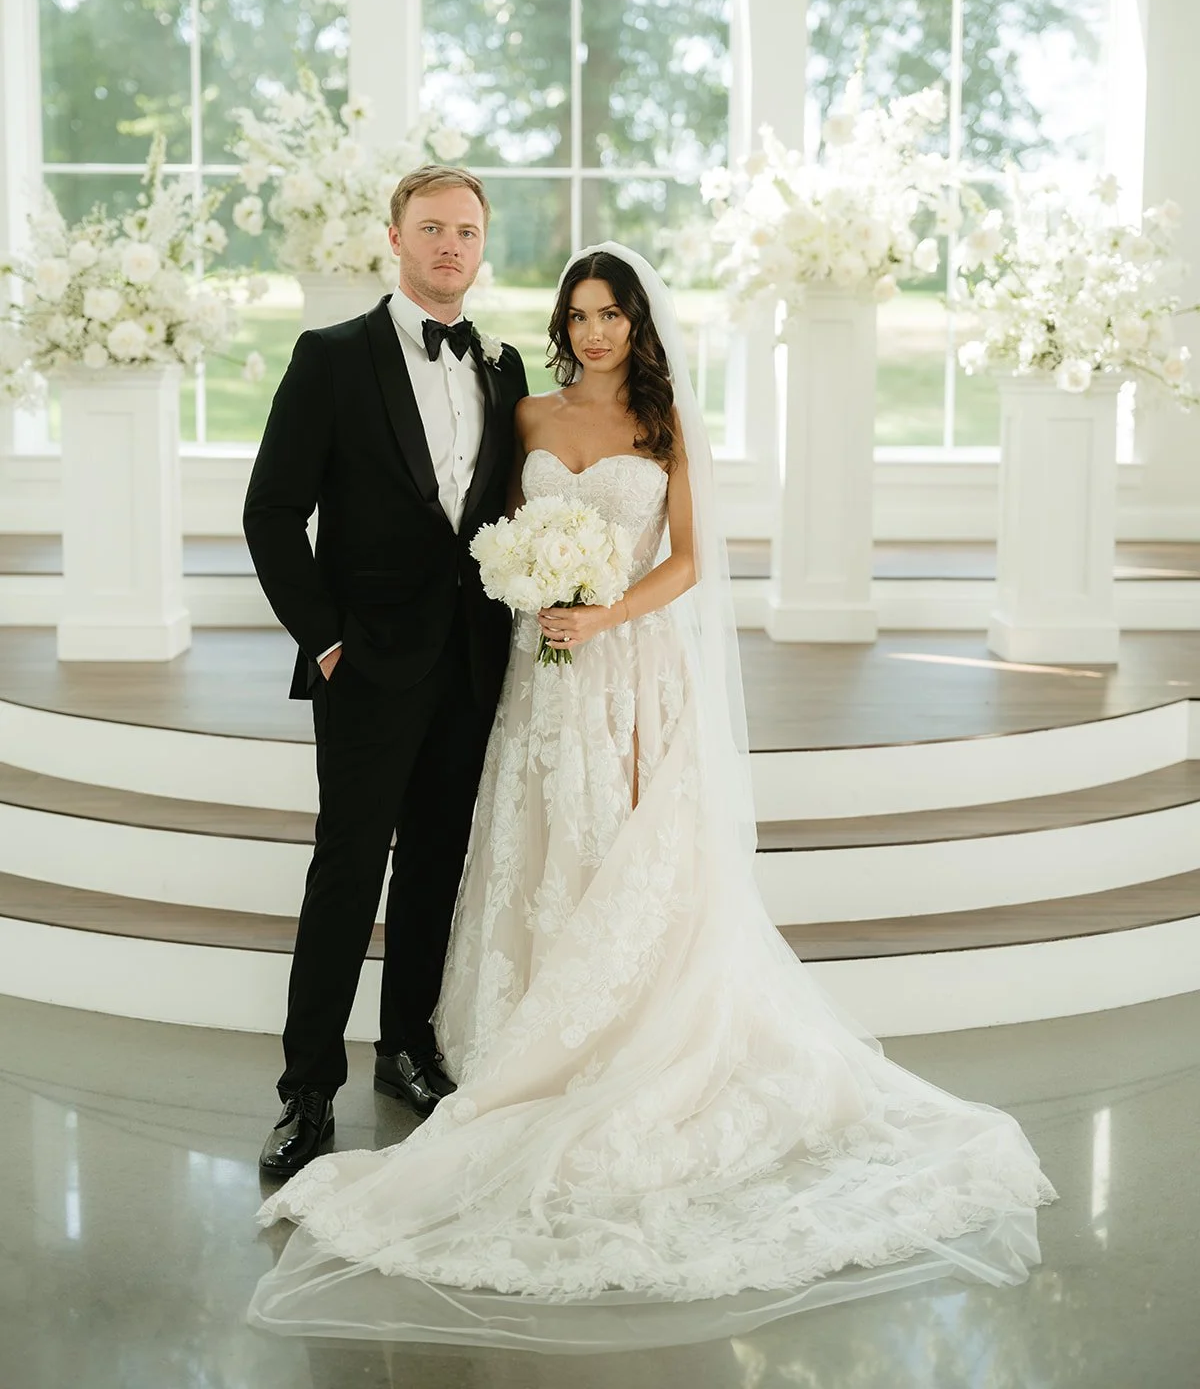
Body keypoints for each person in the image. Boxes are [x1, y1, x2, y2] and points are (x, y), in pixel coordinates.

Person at [248, 244, 1055, 1353]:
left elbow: (690, 559)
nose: (591, 329)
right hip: (519, 670)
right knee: (474, 843)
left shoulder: (668, 427)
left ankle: (503, 1039)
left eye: (609, 313)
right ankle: (329, 1077)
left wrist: (603, 609)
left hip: (621, 662)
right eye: (577, 313)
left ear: (638, 323)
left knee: (592, 849)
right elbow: (471, 529)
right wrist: (451, 615)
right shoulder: (519, 409)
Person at [243, 165, 528, 1178]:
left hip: (469, 660)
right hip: (365, 664)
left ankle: (406, 1045)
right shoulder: (331, 359)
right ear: (396, 239)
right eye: (432, 227)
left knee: (437, 866)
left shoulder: (503, 366)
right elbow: (271, 512)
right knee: (347, 871)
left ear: (480, 246)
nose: (450, 244)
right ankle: (306, 1087)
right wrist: (325, 640)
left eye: (466, 229)